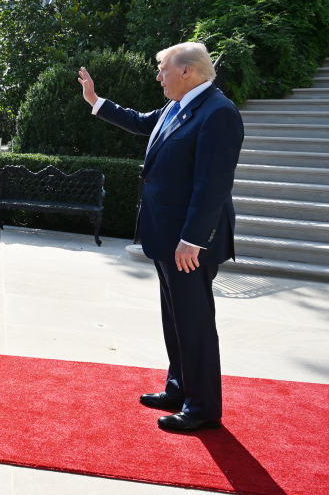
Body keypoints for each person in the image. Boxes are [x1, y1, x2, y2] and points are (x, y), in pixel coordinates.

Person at [77, 41, 243, 432]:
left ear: (187, 71)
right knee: (175, 319)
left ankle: (202, 407)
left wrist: (193, 239)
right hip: (166, 235)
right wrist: (95, 100)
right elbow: (139, 121)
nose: (158, 76)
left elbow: (212, 186)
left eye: (163, 69)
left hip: (190, 243)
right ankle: (178, 388)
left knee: (195, 322)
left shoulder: (218, 112)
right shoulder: (177, 105)